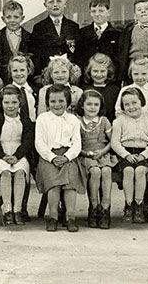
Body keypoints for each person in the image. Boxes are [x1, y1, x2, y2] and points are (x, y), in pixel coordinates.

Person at [35, 84, 85, 232]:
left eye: (61, 101)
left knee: (70, 184)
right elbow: (40, 143)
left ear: (68, 102)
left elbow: (77, 144)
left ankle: (70, 217)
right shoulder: (42, 119)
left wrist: (67, 157)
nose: (57, 105)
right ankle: (53, 217)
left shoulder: (73, 120)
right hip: (48, 157)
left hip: (68, 156)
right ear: (47, 102)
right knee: (54, 185)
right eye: (53, 101)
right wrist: (51, 157)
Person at [112, 87, 148, 223]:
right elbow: (115, 142)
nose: (131, 107)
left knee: (139, 171)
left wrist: (144, 155)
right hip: (125, 152)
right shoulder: (119, 121)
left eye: (134, 103)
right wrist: (126, 155)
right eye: (126, 104)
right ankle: (128, 205)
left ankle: (138, 205)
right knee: (128, 170)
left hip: (144, 154)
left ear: (141, 102)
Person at [0, 85, 34, 225]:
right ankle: (7, 209)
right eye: (6, 102)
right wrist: (3, 155)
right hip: (1, 153)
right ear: (1, 103)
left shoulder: (24, 119)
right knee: (6, 173)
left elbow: (27, 141)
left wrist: (17, 156)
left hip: (19, 154)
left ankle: (18, 209)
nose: (10, 106)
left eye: (14, 102)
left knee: (21, 172)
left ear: (20, 103)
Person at [76, 90, 116, 229]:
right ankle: (93, 207)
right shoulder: (78, 121)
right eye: (89, 104)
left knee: (106, 171)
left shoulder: (104, 121)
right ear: (82, 105)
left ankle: (105, 208)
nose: (92, 107)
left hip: (103, 154)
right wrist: (86, 153)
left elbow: (113, 141)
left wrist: (103, 151)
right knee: (95, 171)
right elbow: (74, 143)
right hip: (85, 155)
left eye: (96, 105)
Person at [7, 53, 38, 219]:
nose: (19, 74)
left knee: (26, 170)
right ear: (10, 72)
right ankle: (9, 204)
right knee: (11, 169)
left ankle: (22, 206)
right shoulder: (6, 92)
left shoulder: (34, 91)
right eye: (15, 71)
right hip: (13, 134)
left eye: (22, 70)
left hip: (30, 134)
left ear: (28, 70)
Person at [30, 0, 80, 82]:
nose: (55, 5)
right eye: (51, 2)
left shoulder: (73, 27)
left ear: (65, 3)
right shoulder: (39, 28)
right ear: (45, 5)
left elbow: (78, 53)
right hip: (48, 77)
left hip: (69, 77)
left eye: (59, 1)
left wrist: (75, 73)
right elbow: (36, 55)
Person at [76, 0, 121, 76]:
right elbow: (79, 57)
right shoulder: (82, 33)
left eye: (101, 11)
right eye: (93, 11)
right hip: (87, 79)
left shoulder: (117, 34)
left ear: (108, 12)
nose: (97, 14)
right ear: (90, 13)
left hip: (110, 79)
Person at [0, 0, 32, 84]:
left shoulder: (29, 37)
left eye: (16, 17)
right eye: (8, 17)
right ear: (3, 19)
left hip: (24, 79)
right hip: (4, 80)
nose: (12, 20)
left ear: (22, 18)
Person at [81, 52, 119, 122]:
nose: (99, 74)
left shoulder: (115, 90)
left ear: (108, 71)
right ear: (89, 71)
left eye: (102, 71)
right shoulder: (84, 89)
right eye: (95, 71)